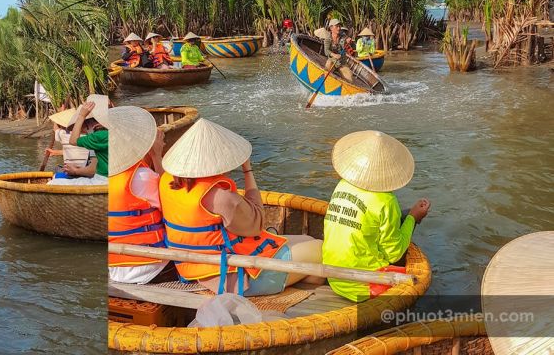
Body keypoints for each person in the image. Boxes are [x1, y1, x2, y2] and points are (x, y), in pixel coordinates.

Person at [160, 118, 324, 296]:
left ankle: (291, 284)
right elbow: (257, 224)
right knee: (319, 248)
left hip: (193, 269)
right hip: (232, 278)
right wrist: (248, 170)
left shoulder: (166, 181)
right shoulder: (222, 198)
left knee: (306, 239)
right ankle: (289, 293)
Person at [321, 130, 430, 302]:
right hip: (363, 285)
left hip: (333, 276)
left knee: (395, 219)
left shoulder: (342, 185)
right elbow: (394, 254)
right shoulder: (386, 200)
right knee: (403, 244)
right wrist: (413, 218)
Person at [106, 106, 169, 284]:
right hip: (146, 263)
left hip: (112, 262)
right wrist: (157, 156)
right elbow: (172, 203)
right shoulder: (141, 177)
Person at [63, 94, 110, 180]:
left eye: (82, 127)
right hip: (108, 177)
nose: (83, 131)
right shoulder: (110, 132)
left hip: (103, 179)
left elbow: (73, 141)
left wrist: (81, 116)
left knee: (56, 182)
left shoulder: (99, 136)